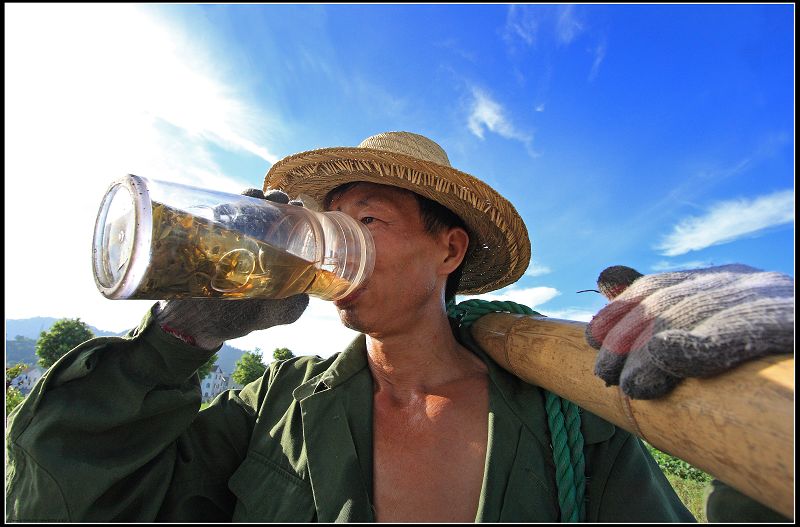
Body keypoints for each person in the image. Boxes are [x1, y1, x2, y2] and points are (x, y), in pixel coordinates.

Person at [5, 132, 791, 522]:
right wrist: (184, 337)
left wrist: (751, 376)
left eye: (368, 220)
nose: (331, 243)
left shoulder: (569, 416)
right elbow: (64, 503)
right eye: (324, 222)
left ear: (448, 248)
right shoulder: (271, 408)